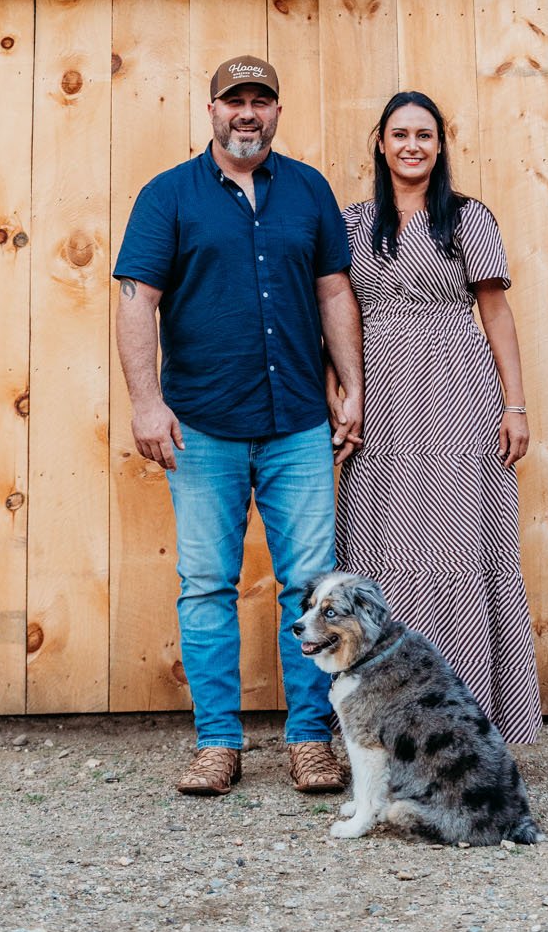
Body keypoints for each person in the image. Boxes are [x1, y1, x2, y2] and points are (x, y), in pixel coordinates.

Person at [114, 54, 364, 796]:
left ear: (277, 111)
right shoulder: (168, 196)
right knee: (204, 586)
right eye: (234, 101)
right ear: (212, 110)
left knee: (311, 591)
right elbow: (136, 302)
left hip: (296, 423)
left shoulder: (308, 190)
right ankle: (217, 742)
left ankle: (309, 741)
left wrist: (350, 386)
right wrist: (144, 401)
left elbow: (332, 291)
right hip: (202, 425)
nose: (246, 113)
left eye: (260, 101)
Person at [331, 90, 542, 746]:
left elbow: (495, 312)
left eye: (424, 135)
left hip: (455, 393)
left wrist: (513, 403)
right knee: (380, 548)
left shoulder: (467, 218)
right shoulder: (350, 223)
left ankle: (465, 722)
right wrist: (340, 392)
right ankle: (381, 730)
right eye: (399, 134)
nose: (412, 146)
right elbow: (332, 313)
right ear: (380, 143)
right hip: (379, 400)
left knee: (455, 549)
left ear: (440, 145)